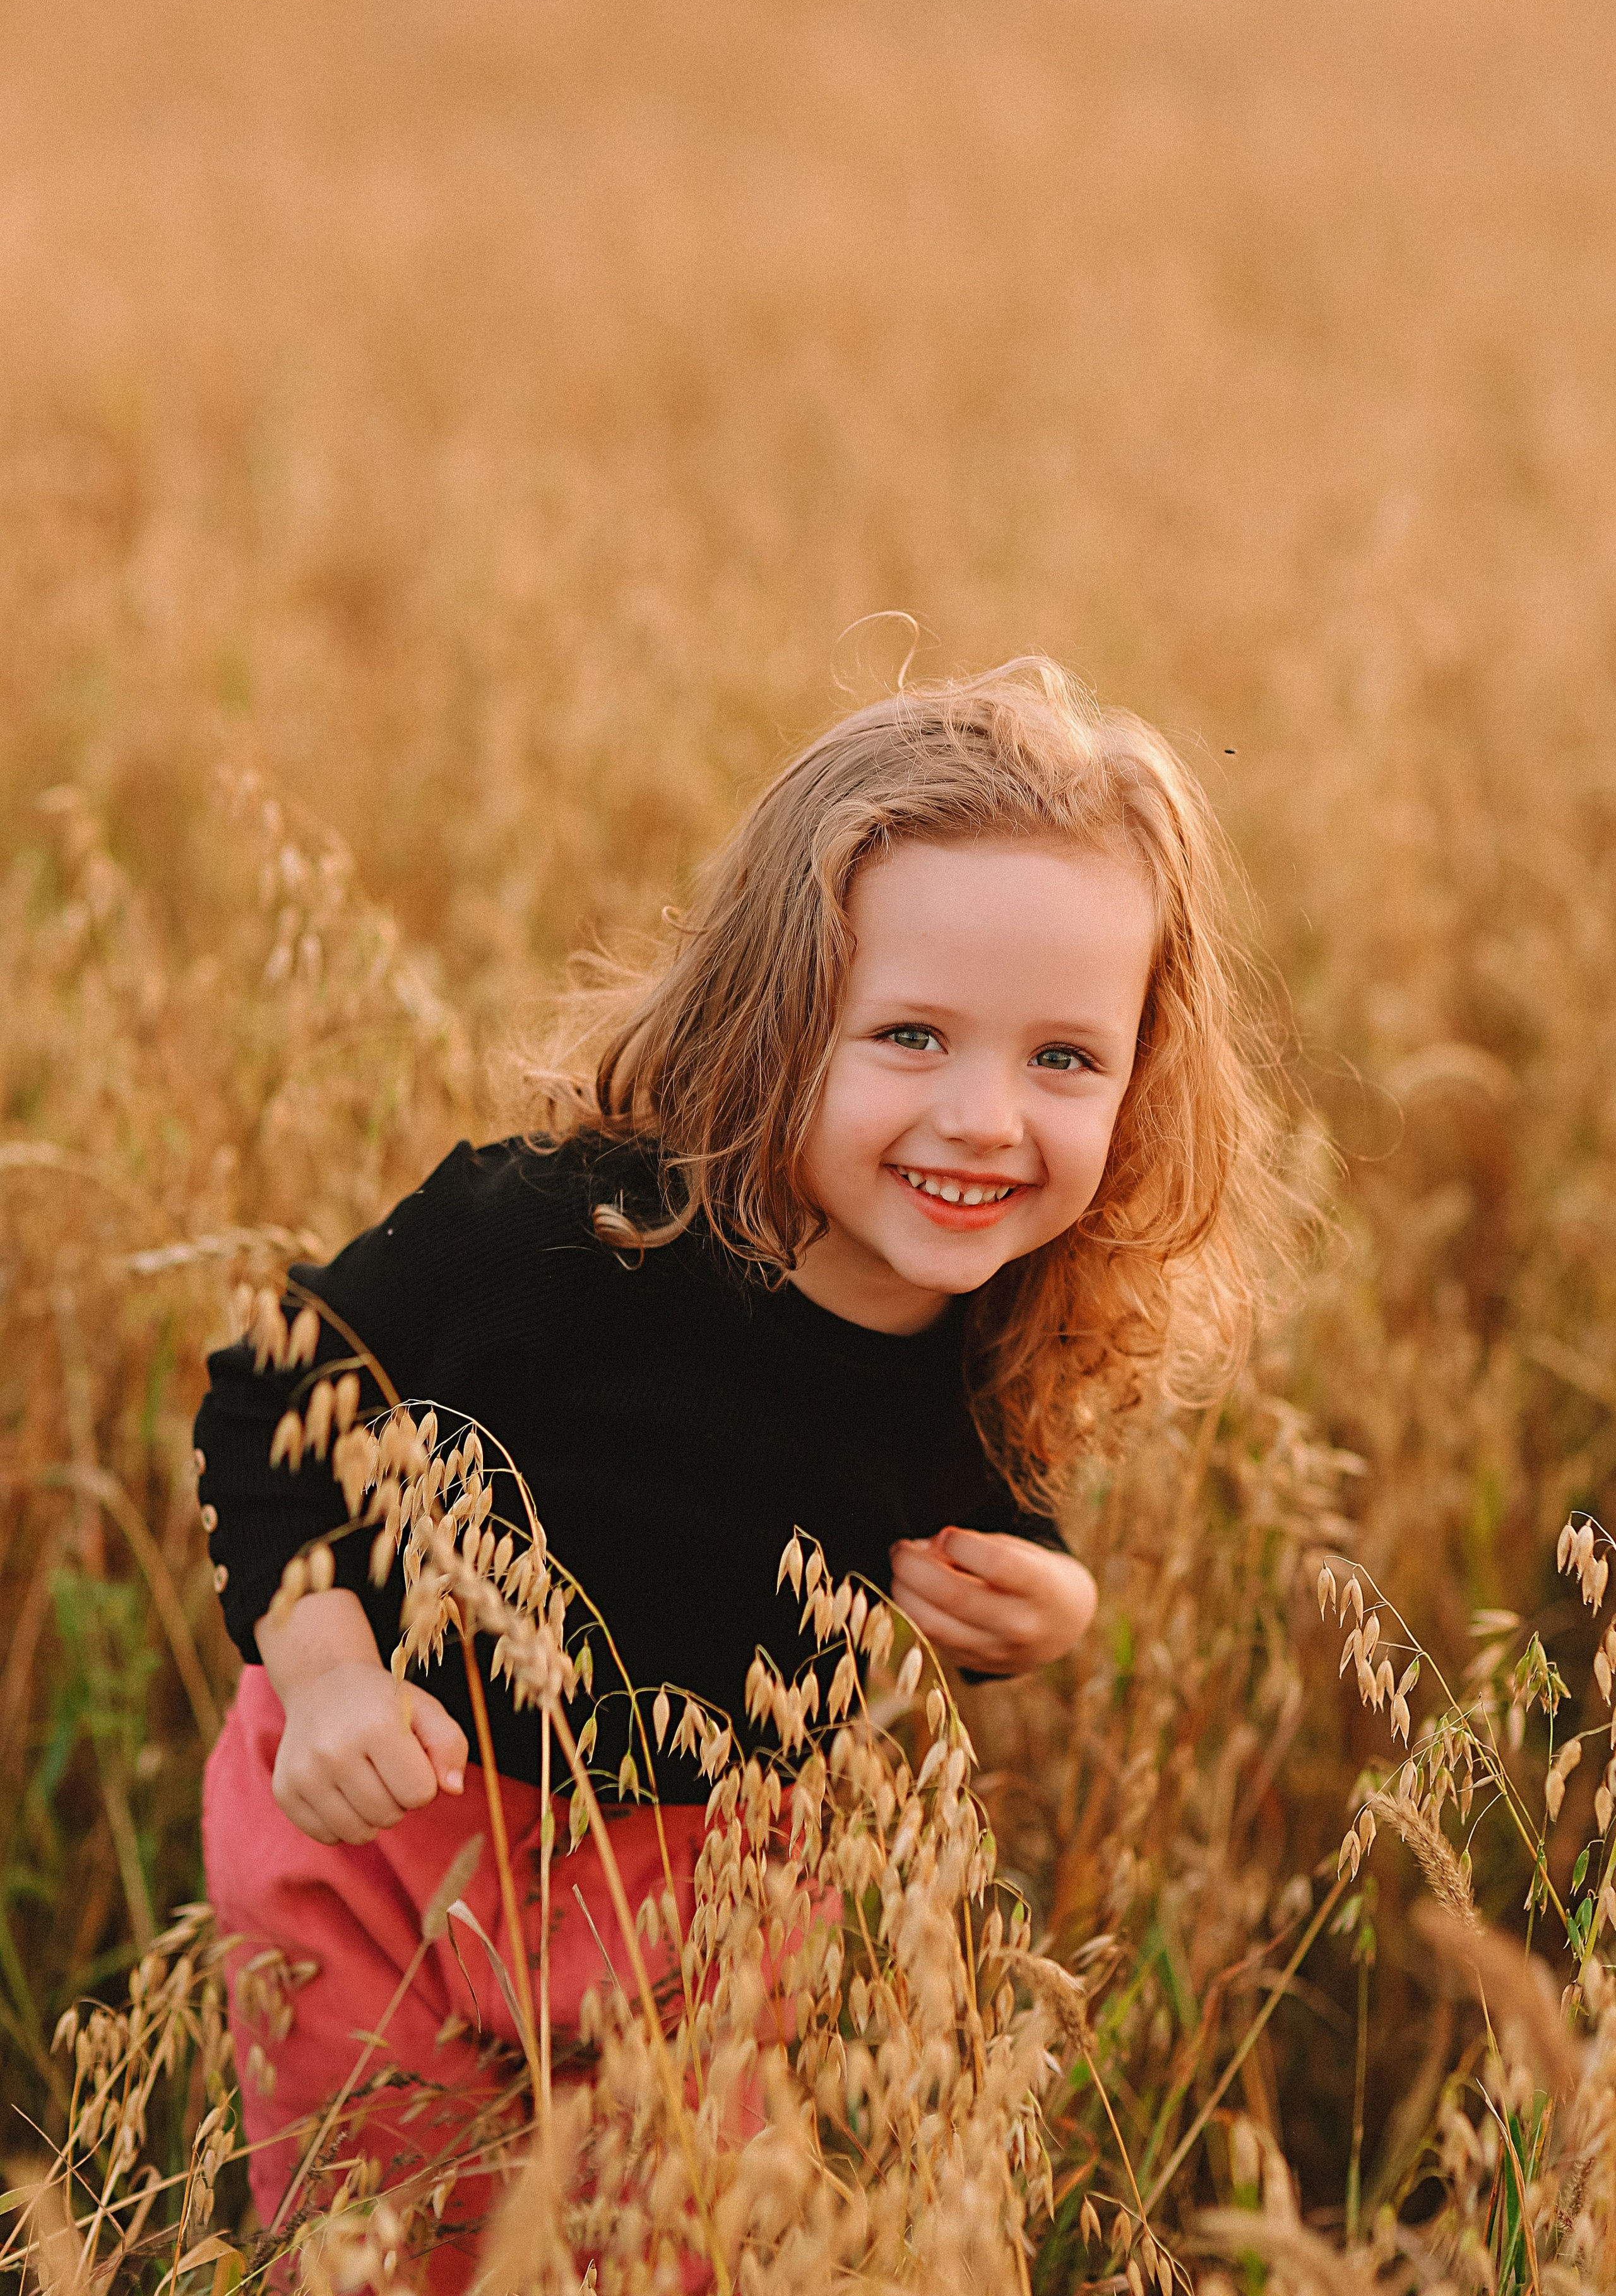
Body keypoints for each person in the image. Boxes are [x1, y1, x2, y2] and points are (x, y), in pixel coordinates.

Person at [194, 660, 1287, 2277]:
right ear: (774, 1021)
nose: (985, 1119)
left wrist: (1044, 1604)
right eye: (910, 1034)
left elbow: (981, 1497)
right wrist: (335, 1677)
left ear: (1140, 1079)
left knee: (680, 2251)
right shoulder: (554, 1238)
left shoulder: (1003, 1319)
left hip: (705, 1898)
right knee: (387, 2242)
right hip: (386, 1837)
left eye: (1064, 1058)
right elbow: (269, 1401)